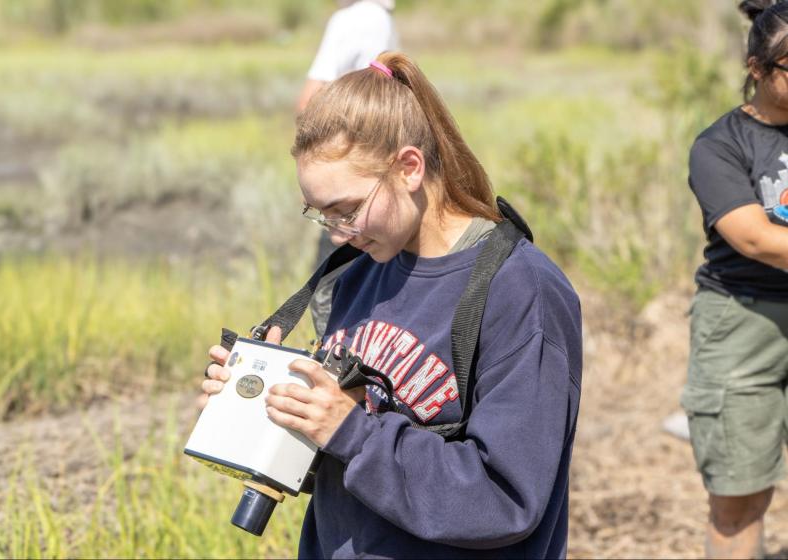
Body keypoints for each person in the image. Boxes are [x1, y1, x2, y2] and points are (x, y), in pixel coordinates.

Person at [202, 52, 582, 558]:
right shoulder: (354, 275)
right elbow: (346, 463)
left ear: (409, 167)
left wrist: (352, 432)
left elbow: (505, 498)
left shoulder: (521, 291)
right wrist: (264, 406)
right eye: (320, 215)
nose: (338, 233)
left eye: (348, 210)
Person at [683, 1, 788, 558]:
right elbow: (756, 239)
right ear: (757, 68)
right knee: (740, 499)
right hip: (744, 322)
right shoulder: (719, 145)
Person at [295, 0, 399, 339]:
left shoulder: (352, 19)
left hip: (352, 186)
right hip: (375, 185)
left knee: (329, 289)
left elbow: (310, 101)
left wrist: (327, 185)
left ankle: (335, 370)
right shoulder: (381, 18)